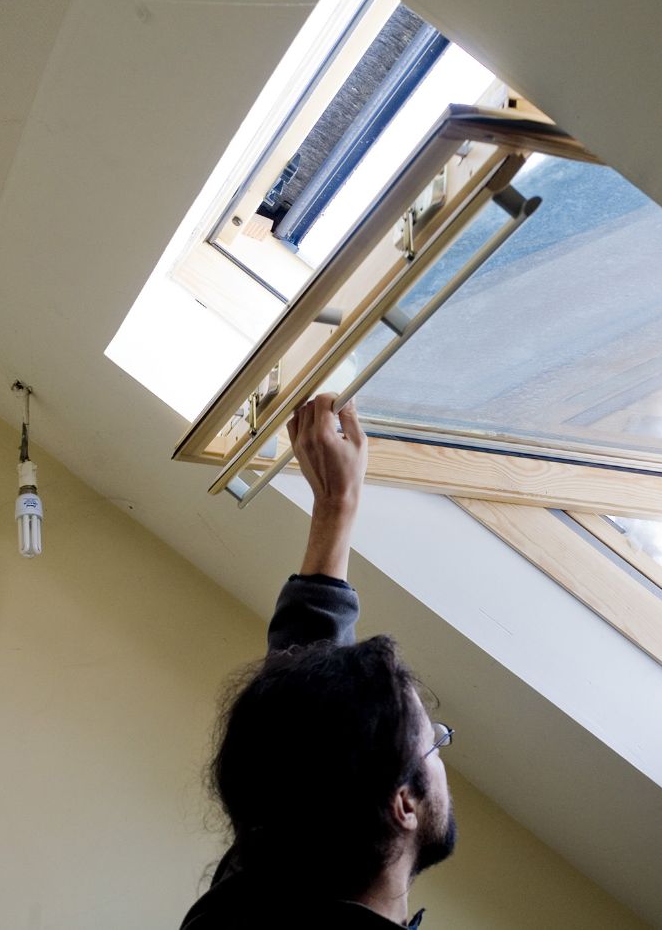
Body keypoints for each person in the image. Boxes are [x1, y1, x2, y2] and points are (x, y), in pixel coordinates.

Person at [179, 393, 457, 929]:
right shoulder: (251, 896)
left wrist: (336, 505)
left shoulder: (252, 898)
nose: (443, 752)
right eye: (435, 744)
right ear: (403, 802)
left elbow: (300, 725)